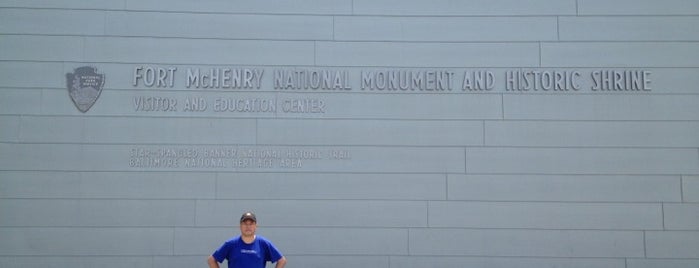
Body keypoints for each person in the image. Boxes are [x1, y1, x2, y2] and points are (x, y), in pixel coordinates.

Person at [207, 212, 287, 268]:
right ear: (240, 226)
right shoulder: (231, 244)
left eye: (251, 224)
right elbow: (211, 259)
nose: (248, 227)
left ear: (256, 226)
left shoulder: (263, 243)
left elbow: (282, 260)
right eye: (245, 224)